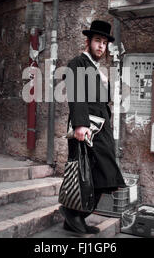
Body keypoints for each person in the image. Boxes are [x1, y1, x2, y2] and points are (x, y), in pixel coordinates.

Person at [60, 20, 126, 234]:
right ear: (88, 41)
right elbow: (76, 94)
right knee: (88, 174)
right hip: (86, 129)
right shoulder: (77, 63)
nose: (101, 46)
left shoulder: (97, 69)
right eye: (97, 41)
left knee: (100, 176)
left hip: (101, 129)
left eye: (105, 43)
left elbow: (103, 100)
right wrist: (80, 125)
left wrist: (104, 81)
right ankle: (73, 215)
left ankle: (75, 216)